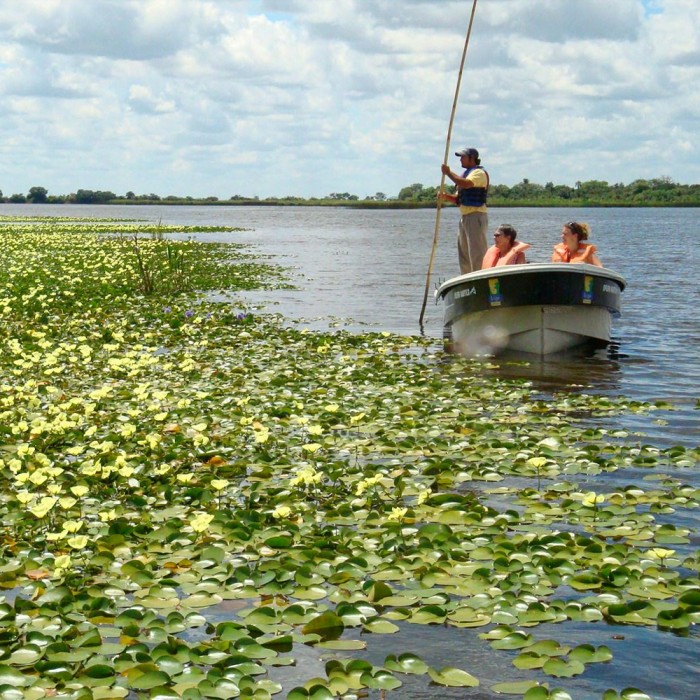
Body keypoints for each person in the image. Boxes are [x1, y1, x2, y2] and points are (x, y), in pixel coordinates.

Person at [438, 147, 489, 274]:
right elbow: (458, 199)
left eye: (463, 157)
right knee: (464, 254)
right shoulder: (466, 174)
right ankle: (467, 279)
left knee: (477, 253)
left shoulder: (478, 173)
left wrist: (448, 173)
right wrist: (445, 196)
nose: (460, 159)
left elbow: (467, 184)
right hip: (465, 217)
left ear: (472, 158)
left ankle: (480, 278)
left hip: (475, 216)